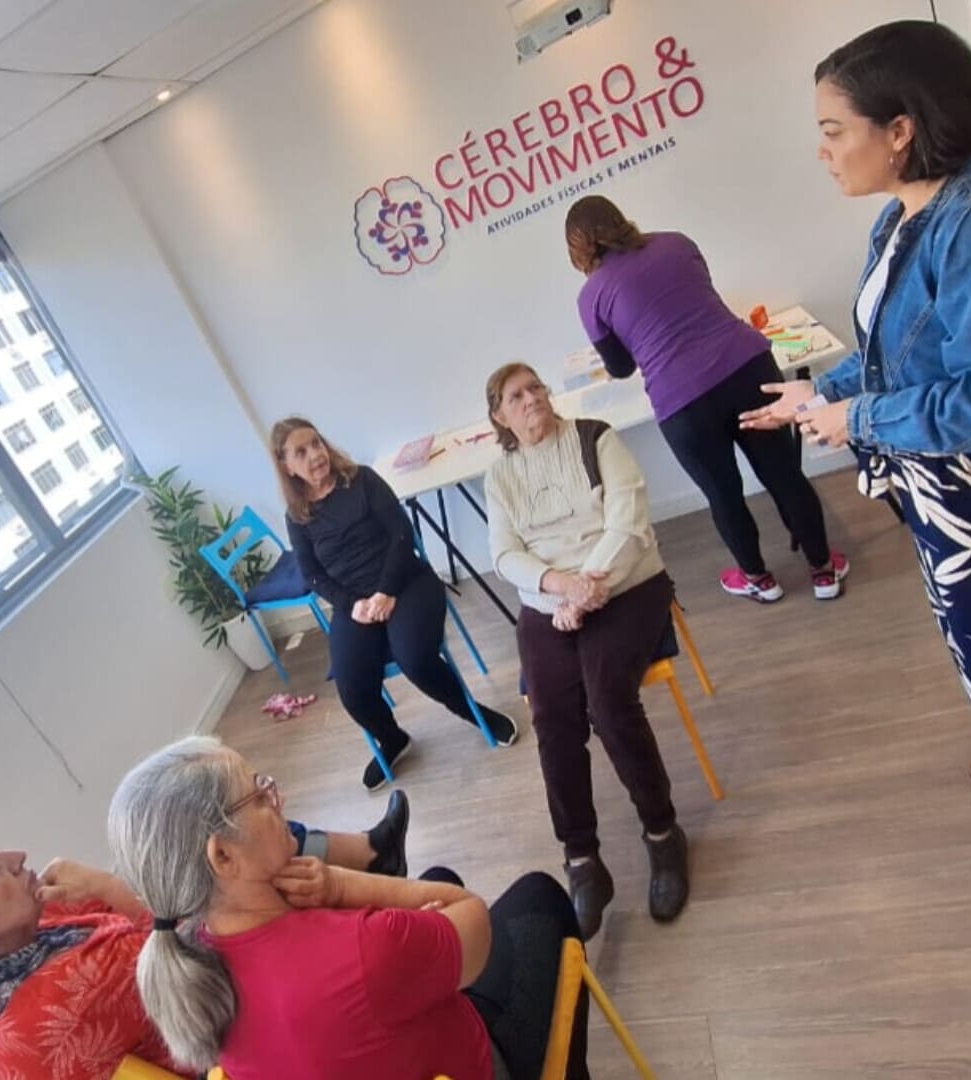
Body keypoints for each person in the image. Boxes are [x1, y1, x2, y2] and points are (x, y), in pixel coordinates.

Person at [742, 20, 971, 950]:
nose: (823, 150)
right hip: (952, 494)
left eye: (834, 129)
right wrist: (822, 394)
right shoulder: (909, 212)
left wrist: (858, 420)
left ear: (900, 128)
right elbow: (897, 350)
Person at [107, 736, 589, 1080]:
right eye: (259, 795)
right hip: (469, 1065)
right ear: (223, 856)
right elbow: (473, 920)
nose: (279, 799)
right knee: (539, 894)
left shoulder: (193, 968)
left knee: (438, 878)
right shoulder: (364, 948)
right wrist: (342, 885)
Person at [0, 793, 410, 1079]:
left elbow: (124, 914)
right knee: (231, 843)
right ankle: (389, 907)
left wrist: (110, 890)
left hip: (189, 1023)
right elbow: (201, 938)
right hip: (236, 1049)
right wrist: (112, 885)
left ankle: (372, 858)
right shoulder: (67, 993)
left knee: (213, 834)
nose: (16, 858)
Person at [483, 362, 689, 938]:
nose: (531, 399)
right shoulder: (499, 477)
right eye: (516, 396)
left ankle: (663, 833)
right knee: (552, 716)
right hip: (550, 599)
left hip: (626, 585)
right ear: (500, 417)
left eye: (535, 388)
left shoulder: (597, 439)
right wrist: (560, 586)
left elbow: (628, 522)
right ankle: (582, 860)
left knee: (608, 703)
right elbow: (504, 554)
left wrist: (588, 584)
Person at [566, 194, 849, 603]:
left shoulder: (590, 297)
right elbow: (701, 299)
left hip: (682, 401)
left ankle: (759, 580)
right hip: (747, 368)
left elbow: (621, 367)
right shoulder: (676, 242)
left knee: (722, 493)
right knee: (784, 474)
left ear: (577, 247)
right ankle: (823, 571)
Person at [274, 417, 519, 790]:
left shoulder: (361, 479)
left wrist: (386, 591)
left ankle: (475, 713)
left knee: (416, 659)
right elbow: (313, 575)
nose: (315, 455)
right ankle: (392, 739)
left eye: (316, 444)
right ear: (287, 466)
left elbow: (402, 534)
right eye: (301, 452)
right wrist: (352, 605)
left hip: (406, 582)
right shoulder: (297, 516)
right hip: (355, 604)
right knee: (351, 688)